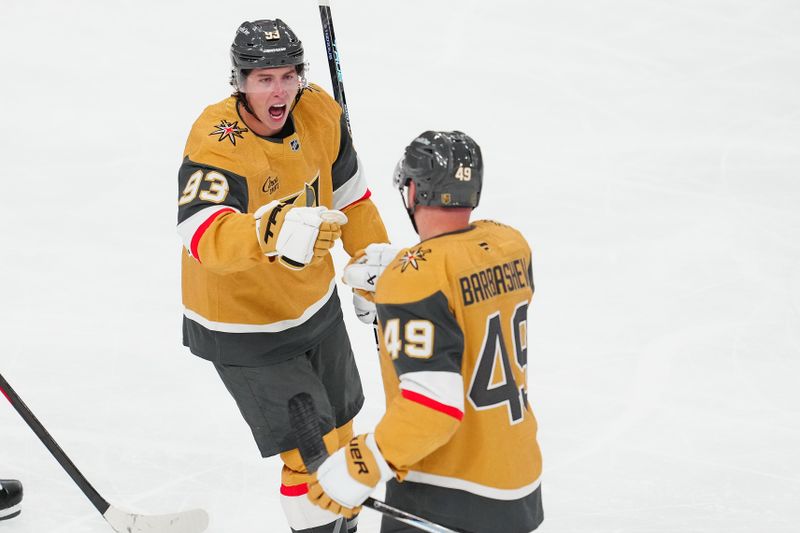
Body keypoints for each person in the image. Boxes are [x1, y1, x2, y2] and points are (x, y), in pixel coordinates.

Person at [176, 19, 389, 533]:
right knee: (310, 456)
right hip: (245, 324)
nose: (279, 90)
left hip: (315, 309)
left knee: (343, 438)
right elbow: (203, 236)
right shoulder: (215, 139)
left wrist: (371, 260)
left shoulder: (318, 111)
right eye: (264, 78)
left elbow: (351, 197)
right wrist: (270, 229)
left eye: (288, 75)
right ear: (241, 81)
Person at [306, 131, 544, 533]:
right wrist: (402, 271)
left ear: (412, 189)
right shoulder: (510, 244)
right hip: (518, 483)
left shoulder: (413, 280)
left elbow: (433, 407)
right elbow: (463, 280)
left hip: (448, 496)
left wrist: (361, 464)